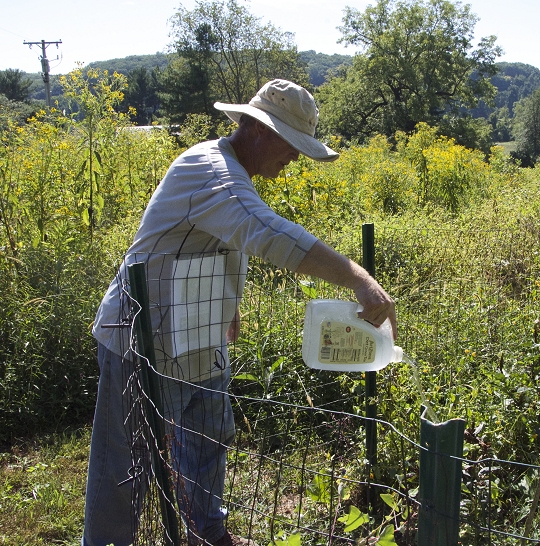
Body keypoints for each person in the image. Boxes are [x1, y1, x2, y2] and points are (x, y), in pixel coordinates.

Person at [82, 79, 396, 546]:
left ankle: (205, 534)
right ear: (260, 131)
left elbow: (219, 241)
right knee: (125, 466)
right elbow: (262, 231)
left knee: (209, 440)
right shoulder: (208, 169)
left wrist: (228, 306)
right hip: (142, 342)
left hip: (199, 334)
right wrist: (360, 280)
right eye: (292, 146)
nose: (294, 159)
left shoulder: (232, 175)